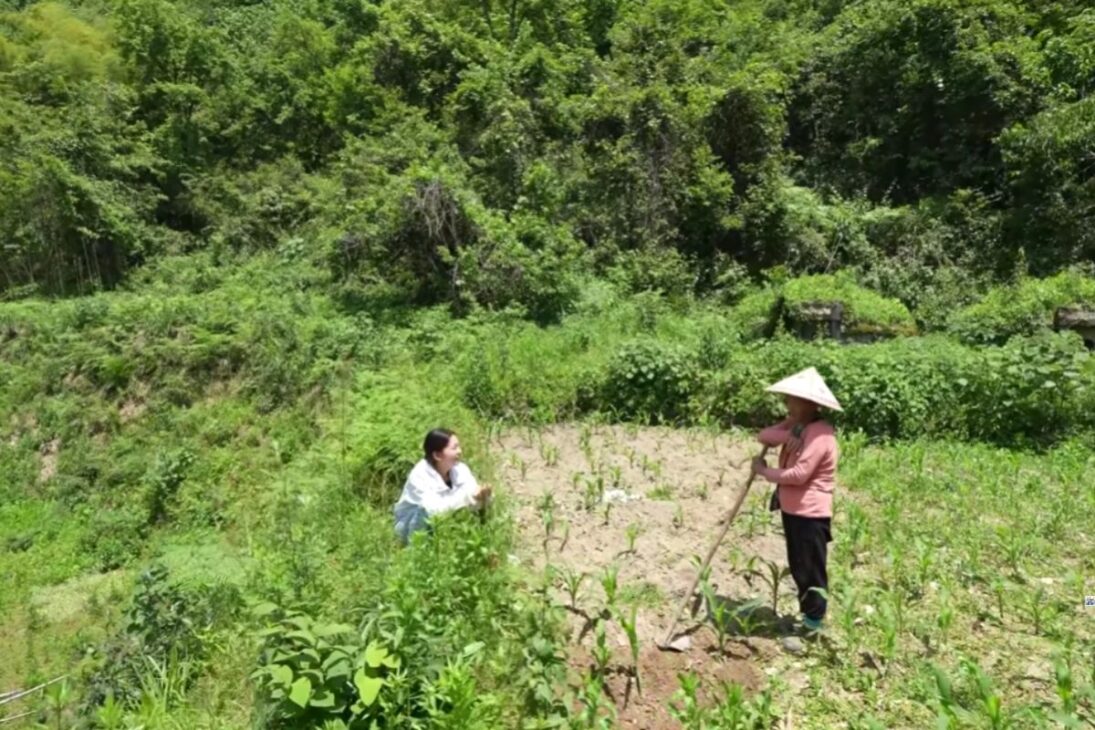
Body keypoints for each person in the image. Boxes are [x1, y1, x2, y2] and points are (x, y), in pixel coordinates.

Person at [750, 367, 841, 637]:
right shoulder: (799, 427)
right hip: (793, 511)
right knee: (799, 565)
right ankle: (808, 618)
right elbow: (764, 436)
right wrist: (788, 430)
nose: (788, 403)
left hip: (810, 513)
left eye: (793, 399)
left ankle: (814, 624)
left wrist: (765, 472)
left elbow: (800, 475)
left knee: (810, 569)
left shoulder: (820, 434)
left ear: (809, 403)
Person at [393, 428, 492, 545]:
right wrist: (468, 498)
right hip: (412, 527)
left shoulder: (461, 469)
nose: (460, 451)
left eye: (459, 447)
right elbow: (434, 511)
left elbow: (472, 495)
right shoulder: (419, 475)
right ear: (437, 455)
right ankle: (416, 550)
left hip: (445, 524)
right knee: (423, 512)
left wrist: (481, 496)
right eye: (454, 448)